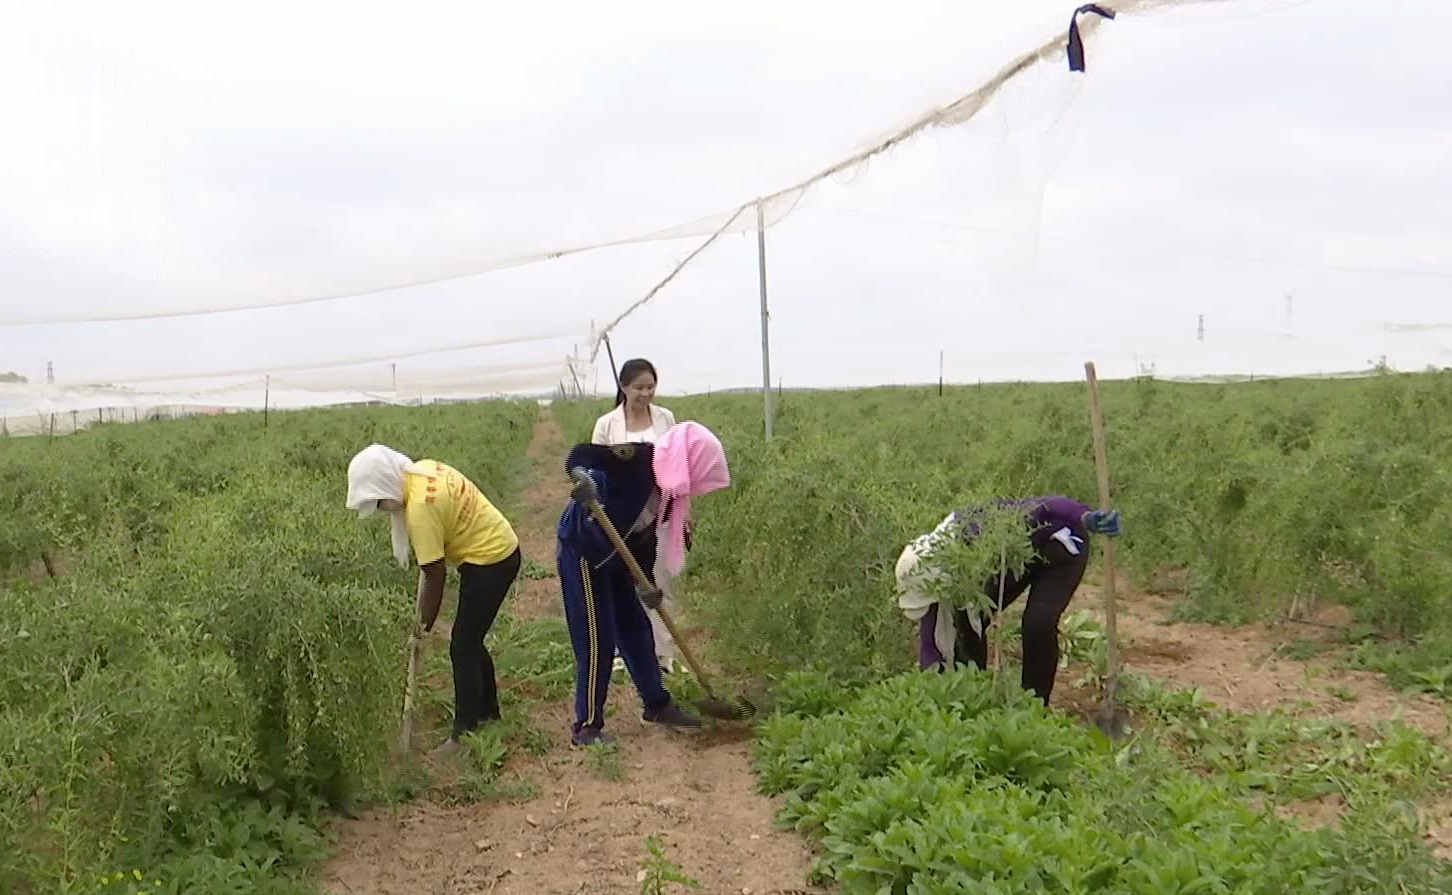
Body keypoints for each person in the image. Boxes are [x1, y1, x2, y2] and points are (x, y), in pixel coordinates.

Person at [556, 421, 731, 747]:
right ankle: (587, 725)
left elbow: (644, 541)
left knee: (637, 628)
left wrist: (647, 584)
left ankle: (657, 704)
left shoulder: (668, 495)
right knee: (598, 639)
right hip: (584, 550)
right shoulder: (637, 460)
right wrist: (586, 480)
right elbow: (582, 456)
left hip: (620, 557)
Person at [345, 444, 522, 759]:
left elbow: (434, 575)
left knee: (462, 645)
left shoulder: (420, 509)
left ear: (386, 482)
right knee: (470, 638)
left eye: (379, 501)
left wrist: (420, 628)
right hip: (494, 547)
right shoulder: (421, 470)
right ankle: (488, 714)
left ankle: (464, 735)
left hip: (491, 559)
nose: (383, 509)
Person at [894, 496, 1122, 704]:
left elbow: (1050, 506)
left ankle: (1034, 706)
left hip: (1059, 546)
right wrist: (930, 686)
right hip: (1011, 563)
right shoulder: (935, 567)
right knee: (967, 617)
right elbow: (930, 631)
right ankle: (973, 692)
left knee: (1037, 623)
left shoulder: (979, 530)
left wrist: (1086, 517)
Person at [590, 358, 688, 675]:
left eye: (650, 387)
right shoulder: (607, 424)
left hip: (660, 510)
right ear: (623, 388)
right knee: (621, 582)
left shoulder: (666, 419)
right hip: (620, 516)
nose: (645, 394)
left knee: (659, 582)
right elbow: (596, 471)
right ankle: (624, 652)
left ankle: (662, 654)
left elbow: (678, 466)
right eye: (639, 388)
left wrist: (686, 511)